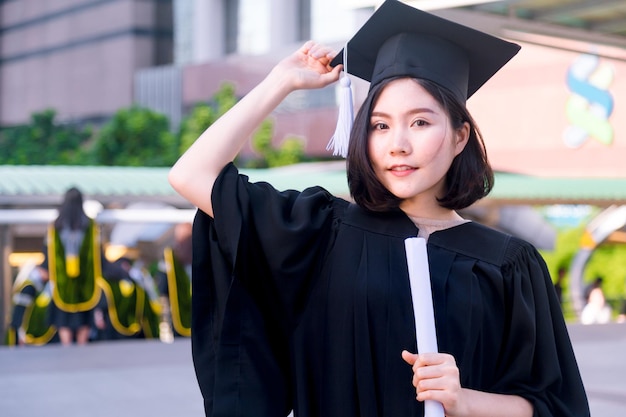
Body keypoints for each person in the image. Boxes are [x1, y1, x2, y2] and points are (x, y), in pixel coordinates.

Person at [169, 1, 590, 416]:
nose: (398, 144)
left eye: (421, 122)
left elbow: (553, 405)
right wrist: (280, 83)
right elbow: (192, 174)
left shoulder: (507, 265)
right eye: (380, 125)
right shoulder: (321, 232)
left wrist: (463, 399)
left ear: (461, 136)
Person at [46, 187, 102, 345]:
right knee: (83, 317)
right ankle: (82, 347)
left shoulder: (56, 226)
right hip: (85, 281)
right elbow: (97, 254)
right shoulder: (90, 225)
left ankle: (66, 347)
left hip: (63, 282)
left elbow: (48, 253)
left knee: (64, 318)